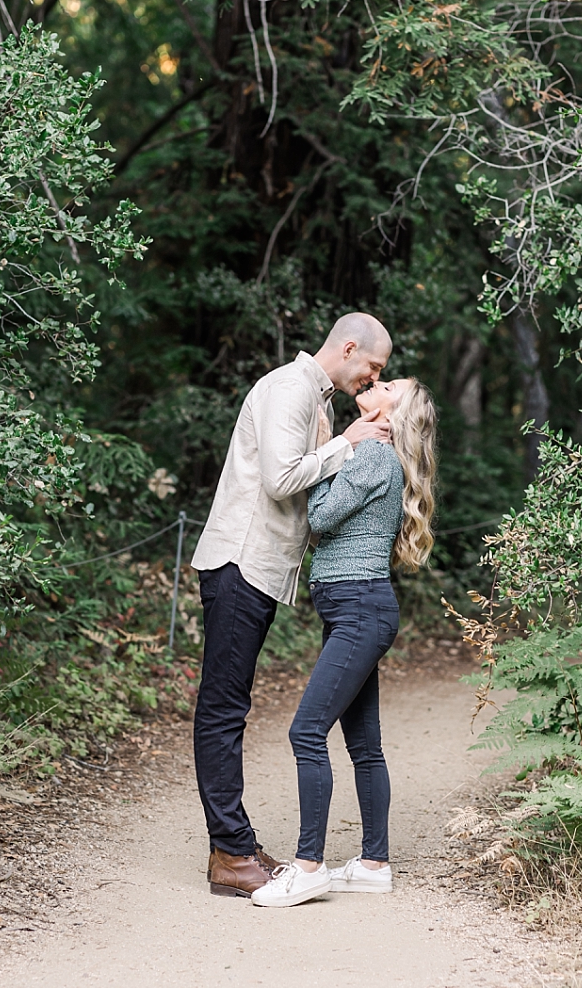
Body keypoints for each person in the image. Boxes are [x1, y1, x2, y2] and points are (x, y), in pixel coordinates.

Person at [190, 313, 393, 898]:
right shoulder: (289, 389)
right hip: (239, 562)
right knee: (223, 708)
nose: (372, 379)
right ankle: (229, 852)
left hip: (261, 570)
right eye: (372, 368)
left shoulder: (317, 400)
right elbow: (281, 480)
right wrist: (346, 445)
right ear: (349, 348)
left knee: (233, 705)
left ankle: (234, 843)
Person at [250, 377, 438, 908]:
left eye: (389, 384)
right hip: (359, 609)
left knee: (306, 731)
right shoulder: (375, 453)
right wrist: (337, 442)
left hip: (359, 609)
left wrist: (331, 450)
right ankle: (374, 863)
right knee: (363, 743)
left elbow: (320, 517)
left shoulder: (374, 456)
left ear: (394, 411)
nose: (377, 381)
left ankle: (308, 866)